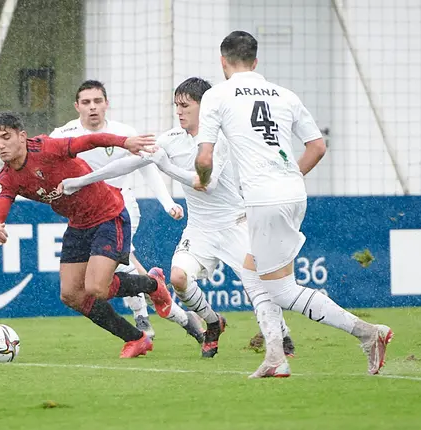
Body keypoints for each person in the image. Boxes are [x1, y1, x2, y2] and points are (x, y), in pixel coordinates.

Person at [194, 31, 393, 378]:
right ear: (256, 62)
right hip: (291, 190)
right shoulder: (284, 95)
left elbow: (205, 157)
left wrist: (202, 176)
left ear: (223, 61)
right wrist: (289, 180)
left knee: (282, 290)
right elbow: (317, 147)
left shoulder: (217, 95)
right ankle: (274, 356)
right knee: (251, 271)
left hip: (263, 197)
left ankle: (367, 333)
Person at [60, 77, 296, 359]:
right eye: (176, 106)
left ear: (204, 107)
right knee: (178, 279)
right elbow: (129, 162)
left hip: (236, 223)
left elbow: (205, 182)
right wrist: (83, 180)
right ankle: (212, 322)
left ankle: (283, 337)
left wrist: (166, 167)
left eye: (185, 106)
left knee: (253, 286)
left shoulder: (221, 139)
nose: (179, 111)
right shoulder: (171, 138)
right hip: (199, 228)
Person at [0, 111, 174, 358]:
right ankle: (136, 339)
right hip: (78, 224)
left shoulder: (46, 148)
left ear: (21, 136)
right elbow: (2, 201)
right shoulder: (8, 176)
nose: (0, 145)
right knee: (71, 295)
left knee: (97, 288)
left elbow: (88, 141)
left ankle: (152, 284)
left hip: (108, 214)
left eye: (5, 137)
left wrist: (123, 141)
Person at [50, 80, 204, 343]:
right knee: (98, 280)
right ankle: (181, 317)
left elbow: (146, 164)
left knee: (124, 261)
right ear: (77, 106)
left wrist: (167, 202)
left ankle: (143, 319)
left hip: (121, 208)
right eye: (86, 102)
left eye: (98, 101)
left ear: (106, 104)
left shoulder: (125, 133)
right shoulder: (62, 135)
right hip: (85, 216)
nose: (93, 107)